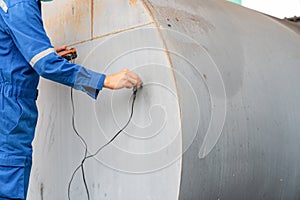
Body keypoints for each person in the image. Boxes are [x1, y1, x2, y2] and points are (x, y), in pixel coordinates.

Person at [0, 0, 142, 199]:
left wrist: (44, 53)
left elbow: (8, 49)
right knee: (9, 180)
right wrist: (105, 81)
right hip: (9, 108)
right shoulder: (20, 3)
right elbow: (45, 65)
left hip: (8, 102)